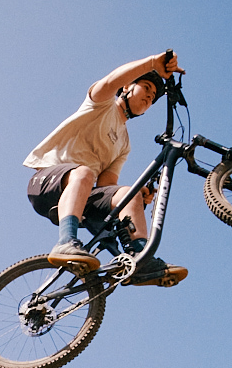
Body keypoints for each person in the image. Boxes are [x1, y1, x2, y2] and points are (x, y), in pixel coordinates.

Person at [23, 49, 189, 286]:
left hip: (81, 191)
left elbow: (106, 186)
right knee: (83, 172)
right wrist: (152, 63)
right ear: (127, 88)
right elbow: (112, 80)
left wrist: (137, 197)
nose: (149, 98)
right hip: (46, 184)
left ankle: (140, 258)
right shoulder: (101, 105)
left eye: (153, 98)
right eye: (146, 89)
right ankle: (65, 242)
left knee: (128, 194)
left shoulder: (124, 143)